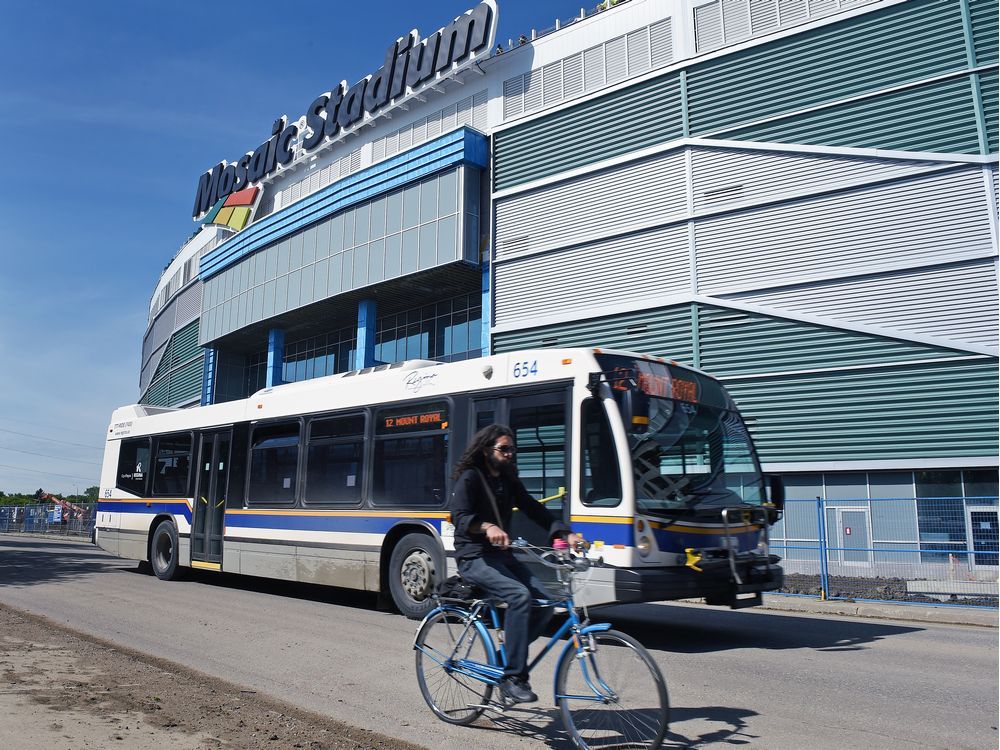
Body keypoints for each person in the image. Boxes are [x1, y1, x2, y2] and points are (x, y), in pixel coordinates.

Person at [450, 424, 580, 704]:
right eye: (504, 449)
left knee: (545, 604)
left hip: (501, 556)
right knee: (519, 596)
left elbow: (534, 509)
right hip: (473, 556)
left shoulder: (508, 480)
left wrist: (564, 532)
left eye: (512, 449)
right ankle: (513, 678)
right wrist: (487, 526)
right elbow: (459, 517)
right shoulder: (471, 478)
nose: (510, 454)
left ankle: (507, 658)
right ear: (487, 450)